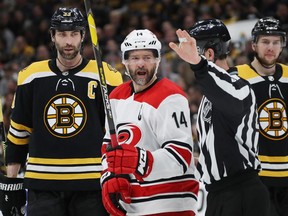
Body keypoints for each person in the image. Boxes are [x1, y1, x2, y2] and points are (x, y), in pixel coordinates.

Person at [0, 7, 123, 216]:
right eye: (62, 34)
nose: (68, 41)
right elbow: (18, 133)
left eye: (74, 34)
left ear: (83, 35)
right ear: (52, 36)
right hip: (43, 184)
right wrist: (11, 183)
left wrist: (119, 176)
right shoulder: (31, 76)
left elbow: (118, 133)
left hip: (92, 185)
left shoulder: (107, 76)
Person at [169, 19, 270, 216]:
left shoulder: (240, 86)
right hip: (219, 195)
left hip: (243, 193)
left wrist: (199, 65)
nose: (189, 63)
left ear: (209, 53)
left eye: (194, 53)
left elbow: (231, 103)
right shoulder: (209, 96)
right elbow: (218, 147)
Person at [100, 29, 199, 216]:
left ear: (158, 60)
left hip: (170, 204)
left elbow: (181, 156)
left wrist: (139, 160)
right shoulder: (115, 97)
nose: (141, 63)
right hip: (131, 204)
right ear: (124, 61)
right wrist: (108, 178)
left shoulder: (171, 96)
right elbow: (108, 147)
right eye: (135, 58)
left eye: (147, 57)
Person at [235, 17, 288, 216]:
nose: (271, 47)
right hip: (255, 176)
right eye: (265, 41)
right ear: (254, 44)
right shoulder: (236, 77)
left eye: (276, 42)